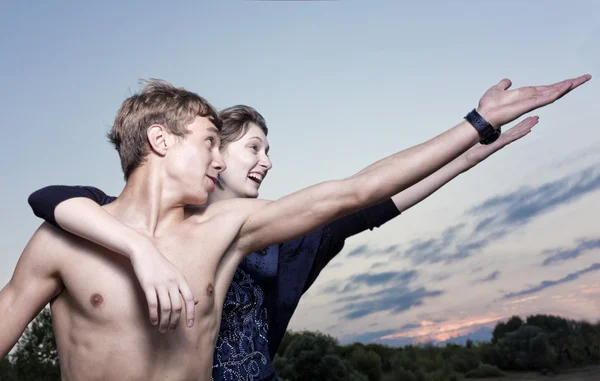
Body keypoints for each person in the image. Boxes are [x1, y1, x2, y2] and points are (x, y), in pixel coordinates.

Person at [1, 75, 590, 381]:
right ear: (160, 140)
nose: (218, 159)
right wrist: (135, 247)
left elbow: (357, 192)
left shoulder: (229, 229)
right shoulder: (64, 237)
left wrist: (477, 125)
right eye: (212, 142)